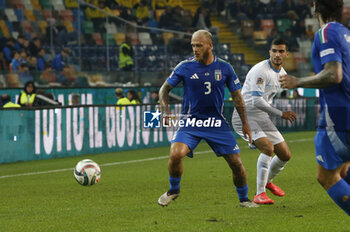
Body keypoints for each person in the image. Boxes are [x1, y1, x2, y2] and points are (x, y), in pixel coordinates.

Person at [157, 30, 257, 208]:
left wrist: (245, 123)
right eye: (193, 45)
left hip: (216, 123)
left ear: (210, 45)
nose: (195, 49)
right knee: (175, 154)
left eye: (199, 45)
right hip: (191, 122)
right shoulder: (184, 67)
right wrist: (166, 111)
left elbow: (237, 97)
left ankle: (244, 199)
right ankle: (174, 190)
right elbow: (164, 89)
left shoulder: (225, 68)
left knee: (236, 163)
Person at [280, 0, 350, 216]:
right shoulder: (347, 34)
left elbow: (333, 74)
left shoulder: (326, 33)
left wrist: (297, 81)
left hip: (338, 116)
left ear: (316, 7)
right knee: (344, 169)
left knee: (327, 177)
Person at [232, 38, 297, 204]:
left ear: (286, 54)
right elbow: (257, 101)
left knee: (285, 154)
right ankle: (259, 193)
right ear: (269, 52)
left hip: (261, 116)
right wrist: (280, 113)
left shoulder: (282, 74)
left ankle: (267, 181)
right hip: (244, 116)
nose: (277, 54)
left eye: (281, 51)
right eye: (274, 51)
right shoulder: (260, 70)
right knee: (268, 148)